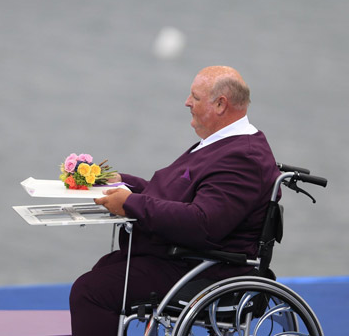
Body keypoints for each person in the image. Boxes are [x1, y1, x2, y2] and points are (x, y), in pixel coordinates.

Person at [69, 66, 281, 335]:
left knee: (91, 290)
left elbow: (203, 222)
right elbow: (175, 196)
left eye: (195, 97)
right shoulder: (223, 145)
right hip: (185, 258)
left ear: (220, 104)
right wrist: (122, 183)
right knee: (105, 268)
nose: (187, 102)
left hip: (207, 269)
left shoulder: (242, 157)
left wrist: (131, 204)